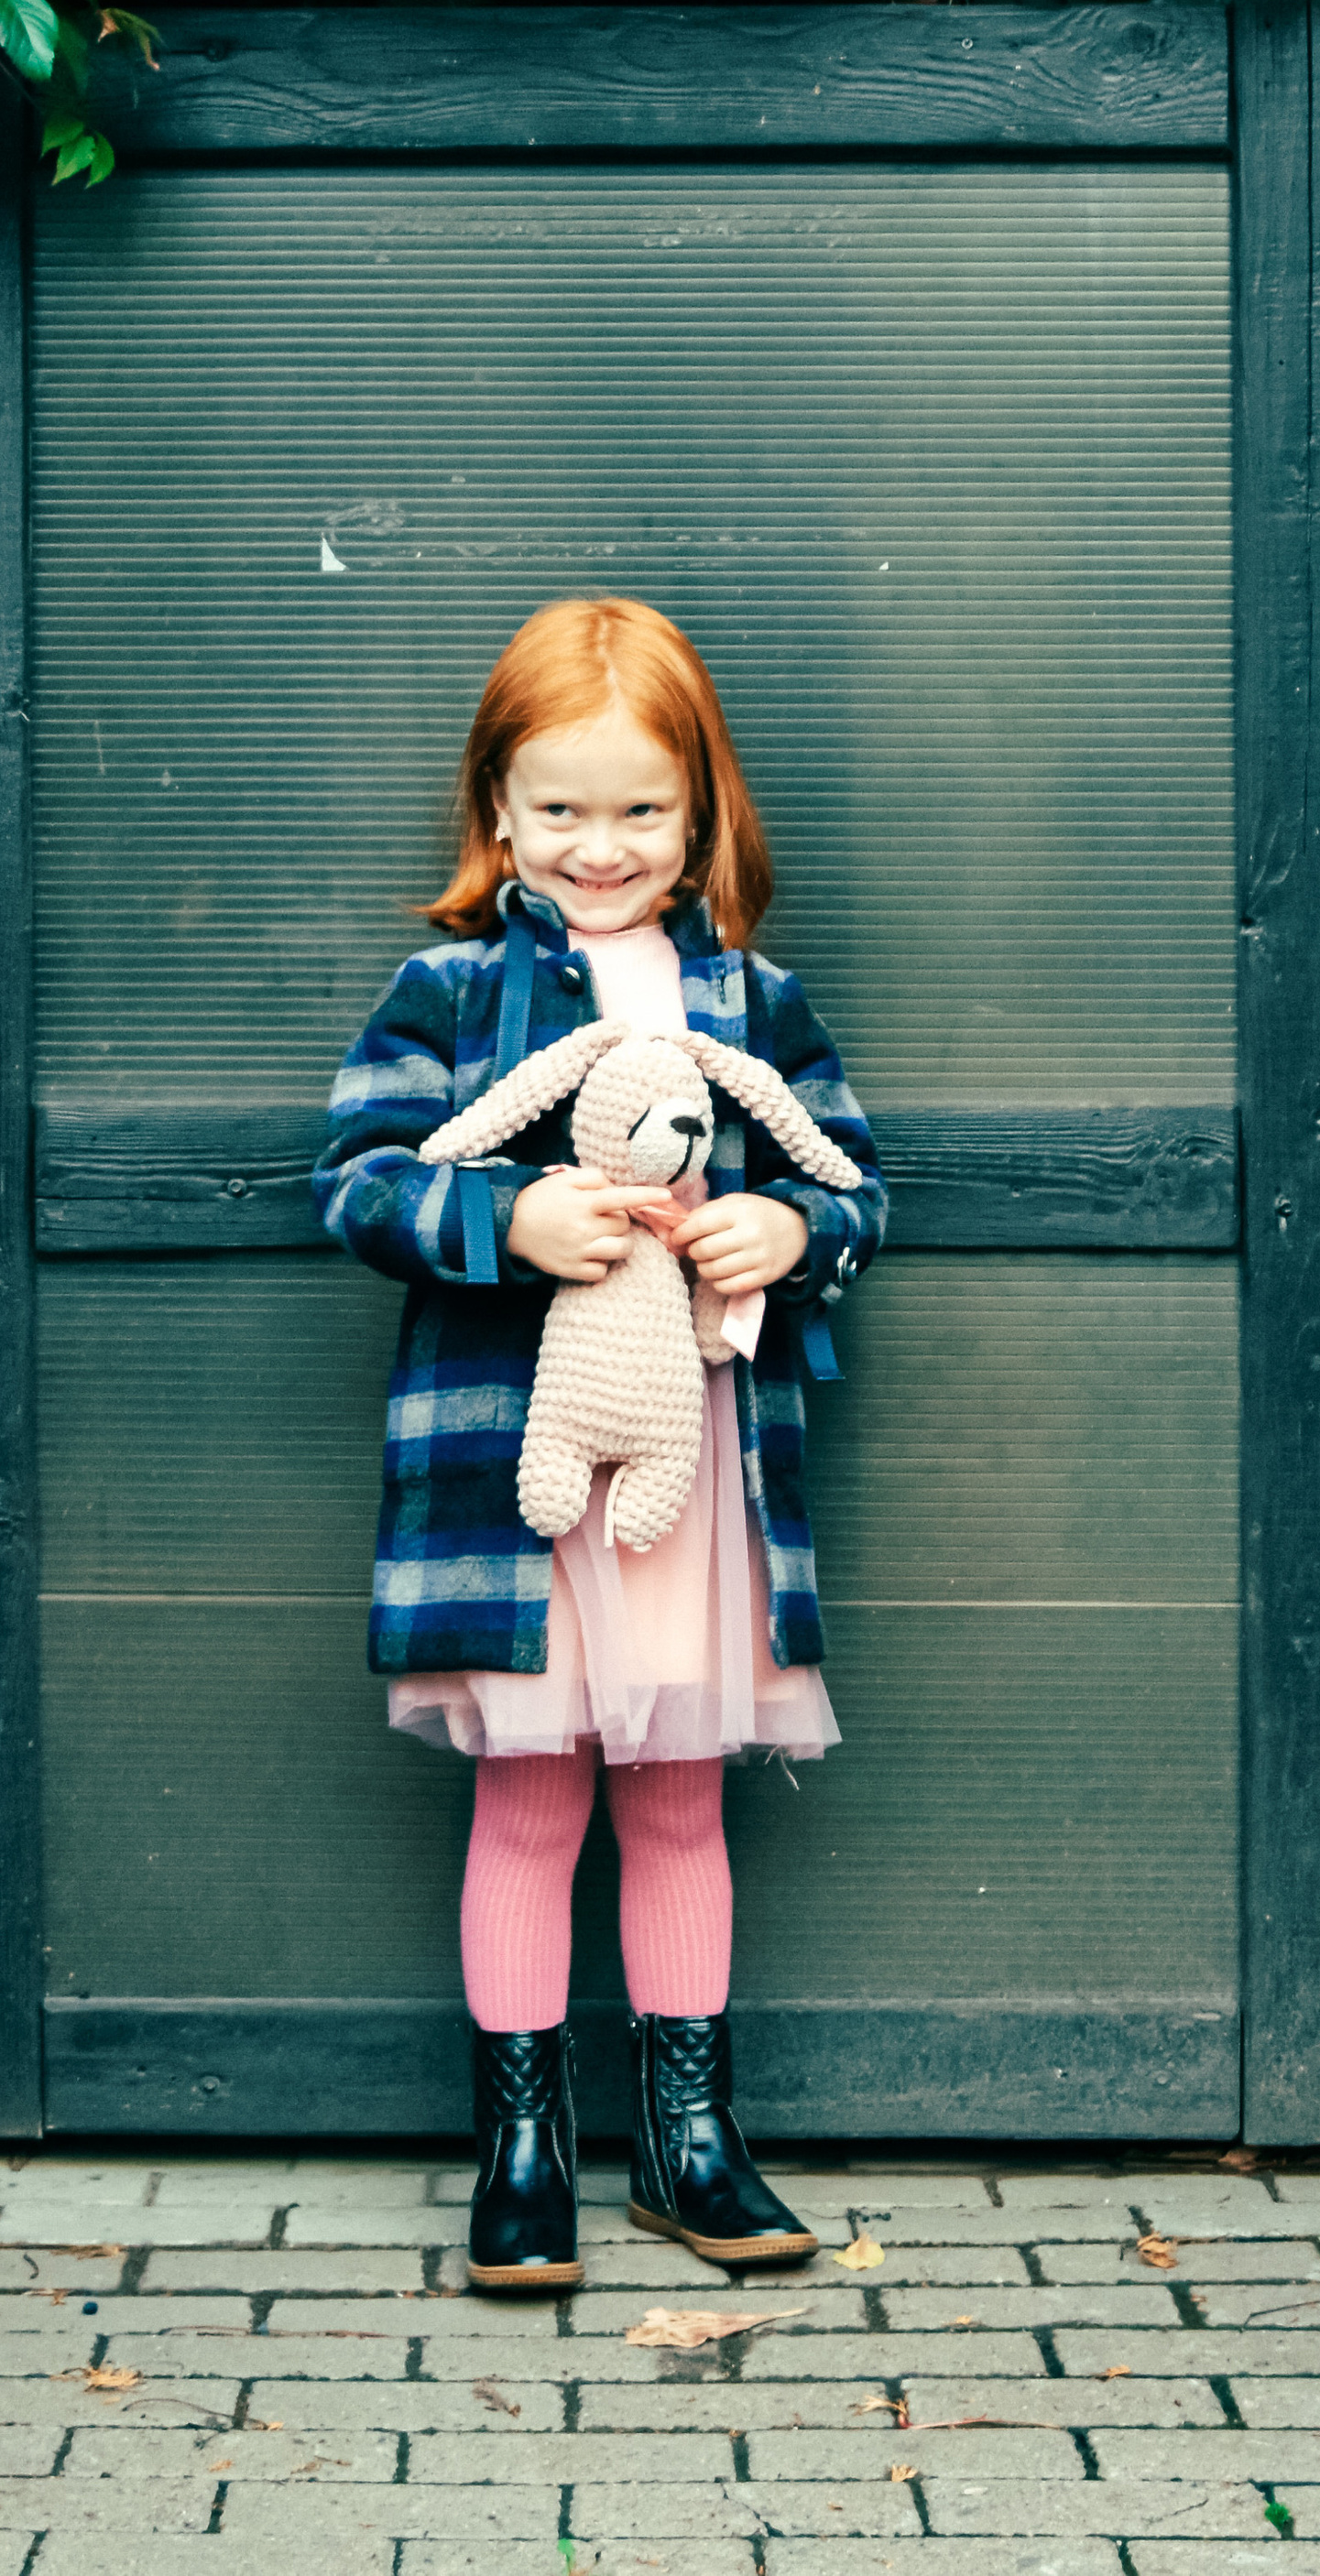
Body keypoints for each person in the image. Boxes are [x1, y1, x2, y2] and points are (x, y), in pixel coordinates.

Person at [314, 599, 887, 2290]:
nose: (601, 846)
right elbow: (358, 1183)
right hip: (521, 1477)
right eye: (559, 808)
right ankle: (524, 2155)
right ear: (496, 807)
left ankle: (694, 2149)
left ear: (699, 812)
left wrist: (788, 1236)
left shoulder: (755, 997)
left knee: (683, 1806)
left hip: (698, 1472)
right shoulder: (446, 989)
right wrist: (510, 1217)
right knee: (529, 1805)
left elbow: (852, 1182)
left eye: (641, 809)